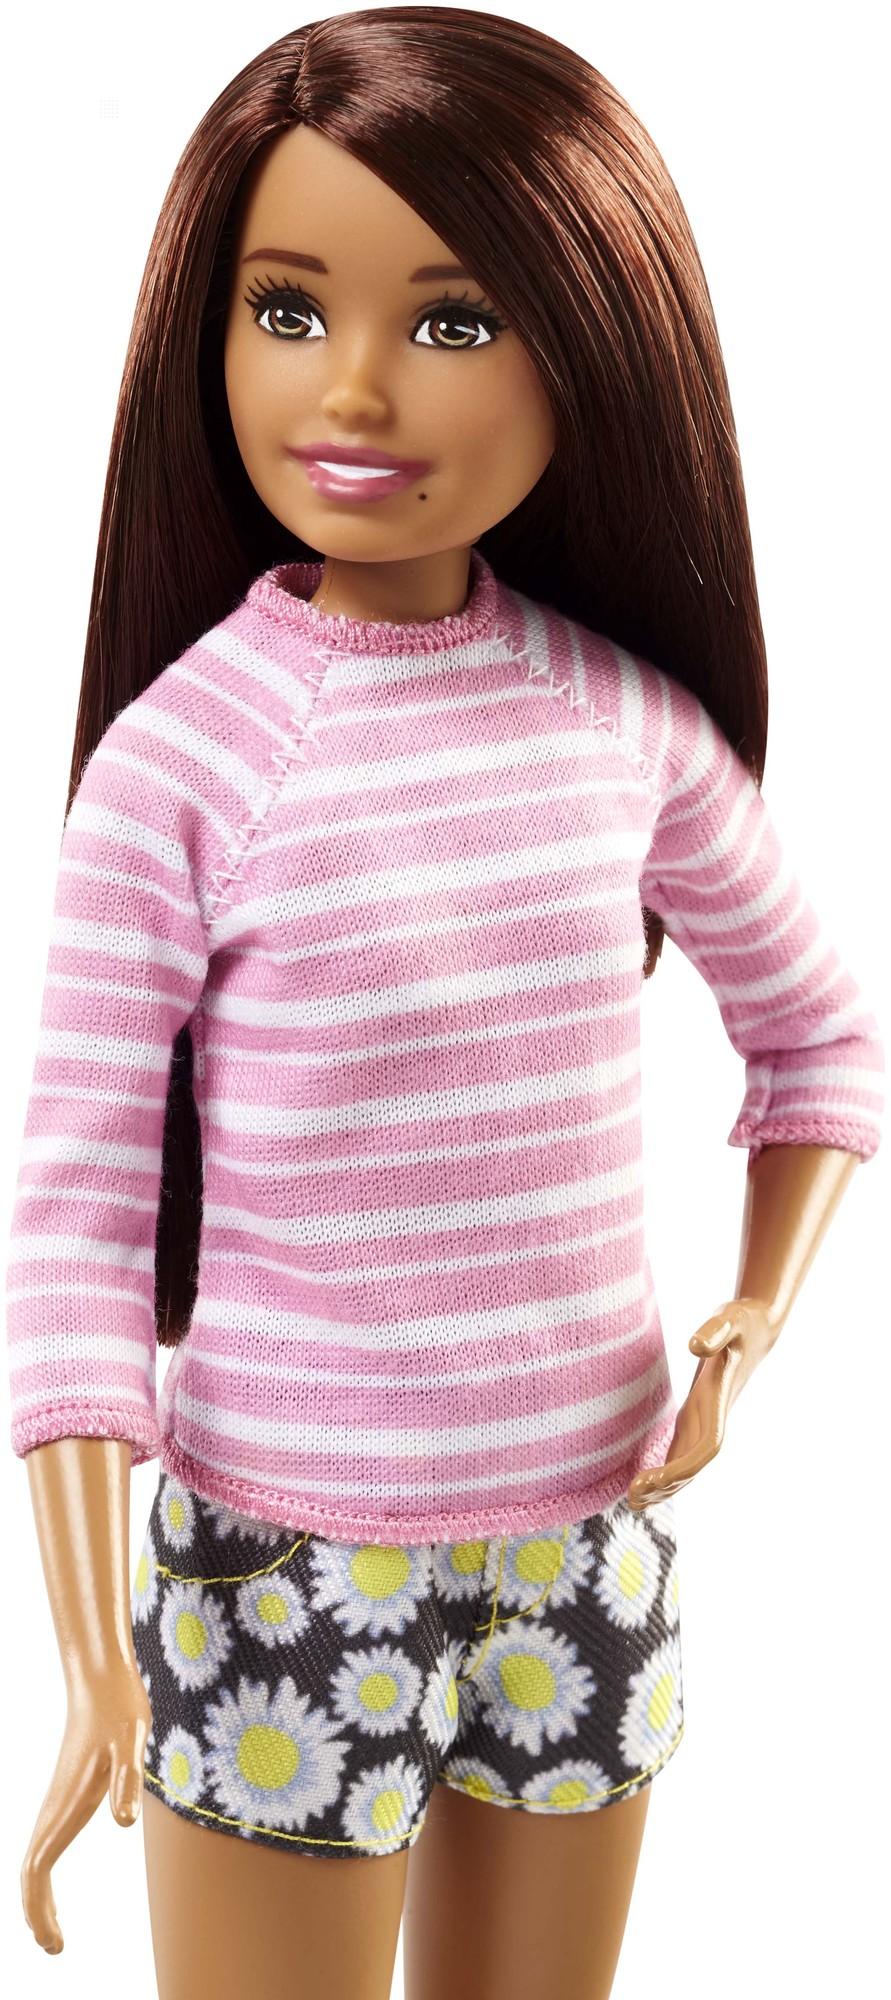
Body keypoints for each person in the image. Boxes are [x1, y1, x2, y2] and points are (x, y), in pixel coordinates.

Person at [8, 12, 883, 1998]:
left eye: (456, 321)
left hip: (583, 1549)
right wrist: (84, 1647)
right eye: (287, 310)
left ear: (593, 345)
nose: (355, 387)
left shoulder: (620, 724)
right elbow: (70, 1227)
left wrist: (753, 1315)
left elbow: (819, 1034)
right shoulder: (184, 768)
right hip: (281, 1569)